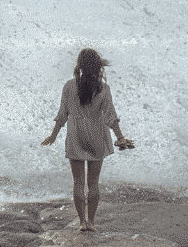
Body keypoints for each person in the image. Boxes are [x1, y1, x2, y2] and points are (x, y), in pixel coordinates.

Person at [42, 48, 132, 232]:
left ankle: (82, 222)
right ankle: (91, 223)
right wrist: (120, 138)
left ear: (79, 65)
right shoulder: (103, 88)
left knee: (78, 182)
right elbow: (110, 117)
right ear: (98, 65)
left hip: (76, 135)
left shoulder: (68, 86)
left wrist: (53, 135)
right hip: (97, 136)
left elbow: (62, 114)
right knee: (93, 183)